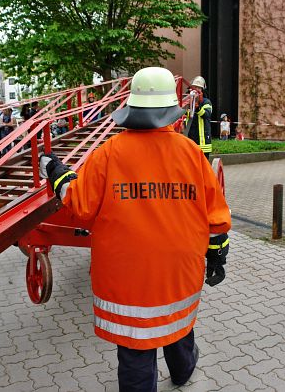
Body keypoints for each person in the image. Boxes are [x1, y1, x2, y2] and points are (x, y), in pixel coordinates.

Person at [40, 67, 231, 391]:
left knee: (136, 348)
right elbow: (215, 218)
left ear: (131, 109)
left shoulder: (108, 154)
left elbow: (80, 204)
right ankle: (183, 371)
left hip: (127, 280)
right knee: (177, 323)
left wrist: (57, 171)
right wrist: (216, 256)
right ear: (171, 110)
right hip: (178, 274)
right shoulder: (191, 155)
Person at [186, 76, 213, 158]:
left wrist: (198, 107)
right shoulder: (186, 101)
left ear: (202, 90)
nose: (196, 89)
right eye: (195, 87)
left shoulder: (206, 102)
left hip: (203, 139)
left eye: (199, 88)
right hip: (190, 136)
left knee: (203, 163)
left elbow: (207, 114)